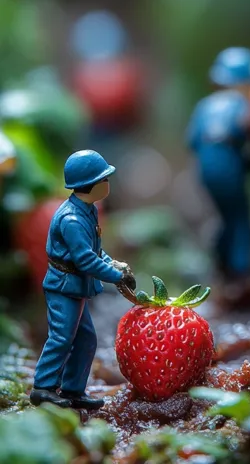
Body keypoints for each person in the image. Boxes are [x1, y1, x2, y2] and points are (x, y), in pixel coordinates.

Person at [31, 150, 135, 410]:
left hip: (77, 285)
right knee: (61, 337)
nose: (107, 184)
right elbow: (85, 260)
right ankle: (43, 388)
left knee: (86, 339)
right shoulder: (72, 219)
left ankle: (73, 389)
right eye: (104, 179)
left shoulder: (87, 211)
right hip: (64, 286)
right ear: (91, 185)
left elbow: (96, 250)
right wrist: (116, 276)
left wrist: (113, 264)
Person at [186, 48, 250, 280]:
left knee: (224, 215)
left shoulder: (204, 106)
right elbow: (244, 133)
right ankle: (240, 271)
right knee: (239, 217)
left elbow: (192, 141)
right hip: (229, 166)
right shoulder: (242, 105)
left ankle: (220, 261)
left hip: (206, 169)